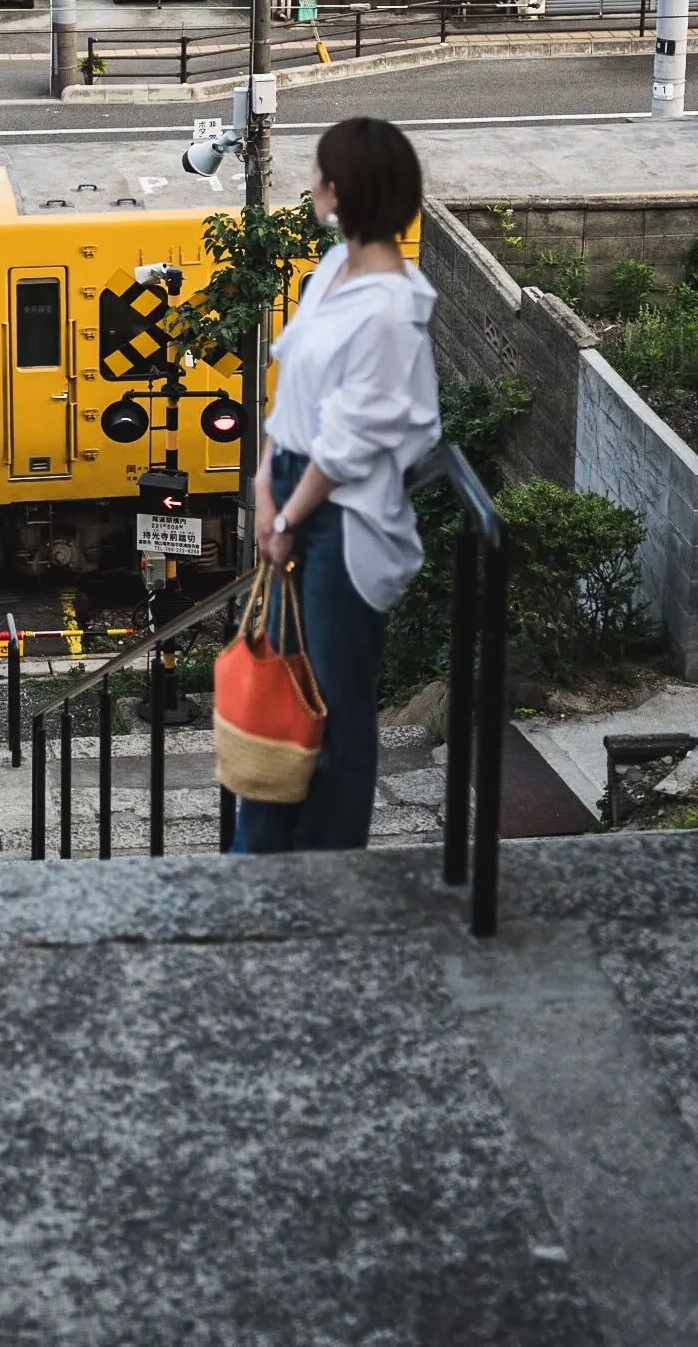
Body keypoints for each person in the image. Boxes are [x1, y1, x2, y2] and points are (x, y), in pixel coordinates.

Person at [233, 116, 441, 855]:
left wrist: (285, 514)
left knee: (333, 714)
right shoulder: (333, 270)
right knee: (281, 704)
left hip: (340, 519)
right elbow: (291, 391)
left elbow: (353, 438)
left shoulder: (389, 307)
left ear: (342, 191)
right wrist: (264, 486)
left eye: (321, 172)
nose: (313, 183)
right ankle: (256, 861)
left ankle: (325, 877)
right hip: (293, 491)